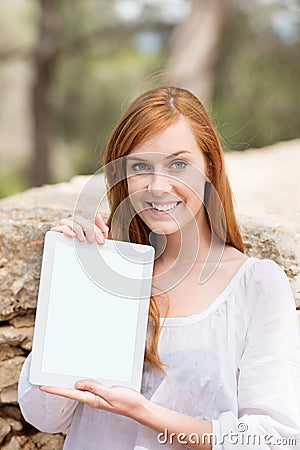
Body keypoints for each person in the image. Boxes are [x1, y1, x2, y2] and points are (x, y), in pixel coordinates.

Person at [18, 86, 300, 449]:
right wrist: (75, 281)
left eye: (179, 164)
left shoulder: (256, 286)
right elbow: (43, 413)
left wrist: (144, 412)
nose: (157, 186)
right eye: (140, 166)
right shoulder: (106, 273)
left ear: (210, 166)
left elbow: (275, 438)